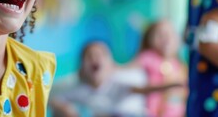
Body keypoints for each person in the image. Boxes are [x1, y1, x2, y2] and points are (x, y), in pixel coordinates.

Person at [49, 41, 180, 117]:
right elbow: (53, 99)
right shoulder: (78, 88)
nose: (95, 58)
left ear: (112, 66)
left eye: (100, 55)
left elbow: (143, 89)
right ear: (81, 69)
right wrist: (64, 109)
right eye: (89, 56)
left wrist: (172, 85)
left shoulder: (118, 82)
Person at [136, 20, 187, 117]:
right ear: (149, 39)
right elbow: (132, 81)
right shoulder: (148, 58)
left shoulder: (180, 64)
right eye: (160, 34)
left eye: (170, 33)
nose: (166, 37)